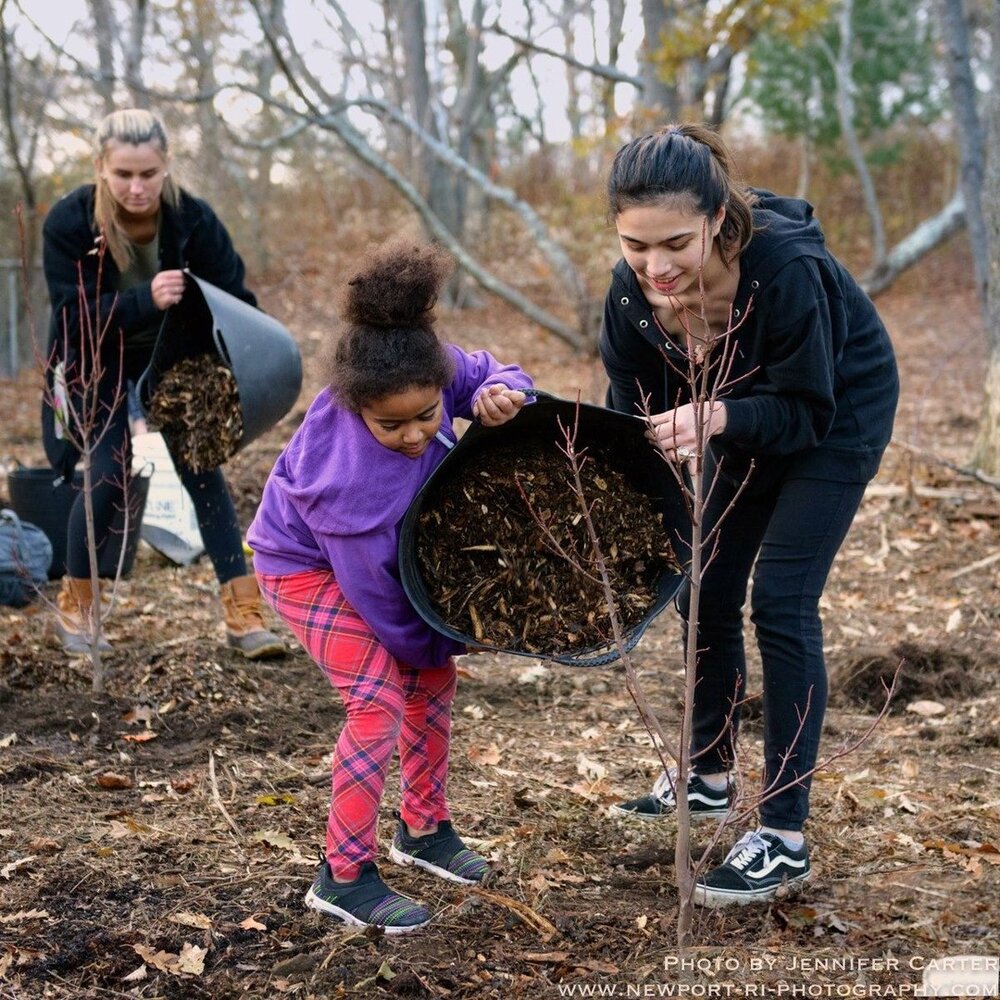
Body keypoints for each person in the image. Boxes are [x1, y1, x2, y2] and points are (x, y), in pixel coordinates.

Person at [598, 124, 899, 907]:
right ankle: (706, 777)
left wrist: (715, 419)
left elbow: (804, 411)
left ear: (718, 221)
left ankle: (785, 836)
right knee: (705, 586)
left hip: (836, 411)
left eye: (675, 243)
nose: (656, 267)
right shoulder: (630, 296)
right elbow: (628, 404)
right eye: (636, 246)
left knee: (782, 600)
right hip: (735, 413)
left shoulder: (785, 271)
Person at [247, 239, 532, 933]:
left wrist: (502, 396)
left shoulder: (425, 366)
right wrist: (445, 636)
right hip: (306, 567)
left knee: (431, 682)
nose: (413, 435)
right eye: (391, 424)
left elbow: (503, 373)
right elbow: (380, 595)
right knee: (378, 699)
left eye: (428, 415)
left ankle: (423, 829)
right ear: (356, 406)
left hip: (386, 557)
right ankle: (342, 875)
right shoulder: (347, 479)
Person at [41, 108, 285, 660]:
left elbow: (237, 304)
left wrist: (225, 365)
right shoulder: (70, 222)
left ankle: (244, 615)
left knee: (202, 466)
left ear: (166, 165)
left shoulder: (193, 219)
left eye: (148, 173)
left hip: (175, 357)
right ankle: (78, 607)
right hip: (99, 355)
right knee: (106, 469)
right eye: (123, 173)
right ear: (100, 167)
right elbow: (68, 321)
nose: (136, 186)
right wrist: (142, 298)